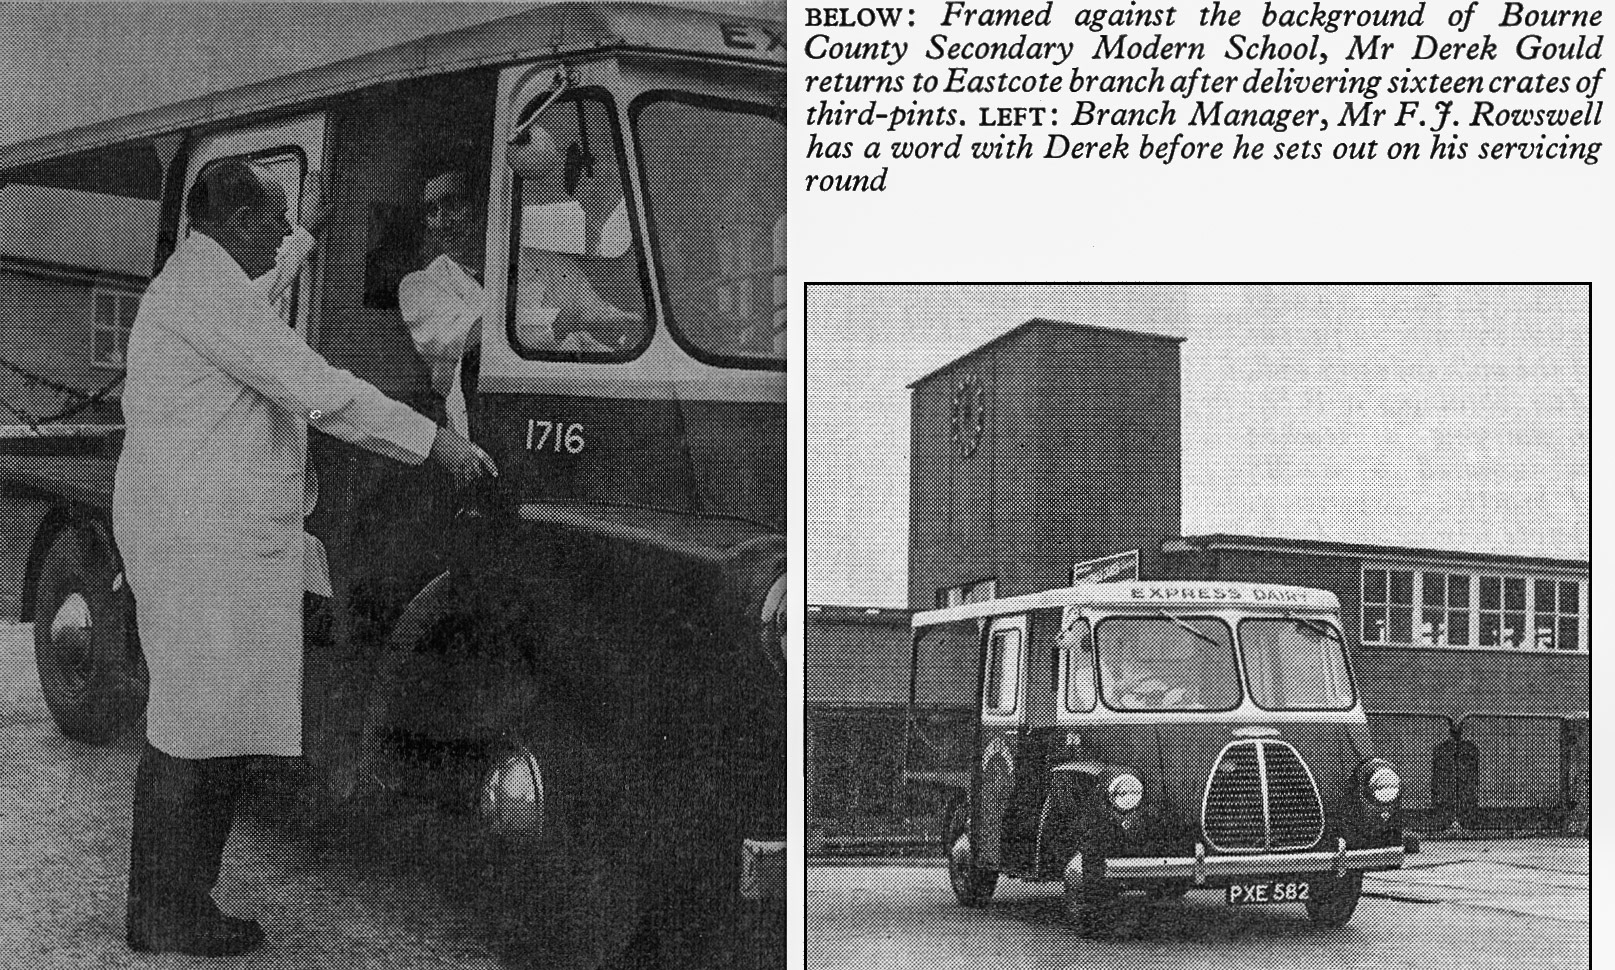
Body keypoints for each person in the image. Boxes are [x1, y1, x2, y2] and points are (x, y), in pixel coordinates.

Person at [114, 159, 496, 957]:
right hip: (199, 547)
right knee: (194, 736)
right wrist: (435, 442)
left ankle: (176, 903)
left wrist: (307, 240)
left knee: (204, 730)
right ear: (238, 223)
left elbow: (259, 299)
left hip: (202, 540)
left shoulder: (204, 279)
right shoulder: (206, 293)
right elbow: (317, 386)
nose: (286, 235)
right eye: (278, 222)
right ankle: (166, 914)